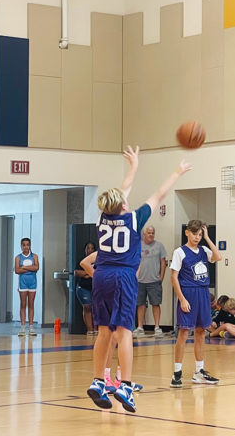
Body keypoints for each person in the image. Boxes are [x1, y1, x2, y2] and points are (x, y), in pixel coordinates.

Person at [86, 145, 191, 413]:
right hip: (123, 276)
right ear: (122, 204)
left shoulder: (101, 219)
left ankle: (99, 380)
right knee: (124, 332)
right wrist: (177, 172)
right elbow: (159, 193)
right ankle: (126, 385)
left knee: (103, 332)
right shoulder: (134, 219)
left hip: (101, 276)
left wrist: (133, 167)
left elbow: (123, 189)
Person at [81, 251, 142, 394]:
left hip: (125, 288)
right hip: (111, 288)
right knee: (110, 337)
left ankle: (120, 378)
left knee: (123, 337)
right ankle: (105, 377)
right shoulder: (106, 250)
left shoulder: (132, 252)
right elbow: (84, 262)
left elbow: (136, 272)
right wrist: (96, 275)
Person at [170, 220, 222, 388]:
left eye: (199, 235)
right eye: (195, 234)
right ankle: (177, 372)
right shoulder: (180, 252)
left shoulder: (204, 250)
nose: (197, 237)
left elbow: (218, 257)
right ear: (187, 232)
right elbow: (173, 277)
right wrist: (182, 298)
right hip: (188, 292)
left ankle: (199, 372)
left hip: (203, 293)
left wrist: (207, 237)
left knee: (201, 332)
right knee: (184, 332)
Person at [134, 226, 168, 337]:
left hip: (154, 281)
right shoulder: (138, 246)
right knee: (140, 304)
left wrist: (161, 278)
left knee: (156, 304)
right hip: (140, 281)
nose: (151, 235)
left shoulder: (159, 246)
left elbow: (163, 263)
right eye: (149, 233)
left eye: (153, 233)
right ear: (144, 234)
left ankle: (157, 327)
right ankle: (140, 327)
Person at [14, 238, 39, 337]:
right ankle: (23, 327)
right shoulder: (18, 258)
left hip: (32, 283)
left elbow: (36, 268)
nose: (26, 247)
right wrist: (30, 268)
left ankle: (31, 327)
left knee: (31, 304)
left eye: (27, 244)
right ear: (21, 246)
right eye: (24, 245)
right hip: (23, 283)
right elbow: (17, 270)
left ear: (30, 245)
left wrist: (23, 267)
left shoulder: (35, 256)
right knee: (23, 304)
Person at [74, 241, 97, 335]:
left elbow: (98, 273)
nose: (90, 250)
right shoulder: (81, 260)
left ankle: (96, 328)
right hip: (83, 287)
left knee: (97, 308)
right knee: (87, 307)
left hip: (96, 288)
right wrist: (89, 273)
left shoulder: (98, 260)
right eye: (88, 248)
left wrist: (86, 273)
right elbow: (77, 273)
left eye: (92, 248)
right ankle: (90, 329)